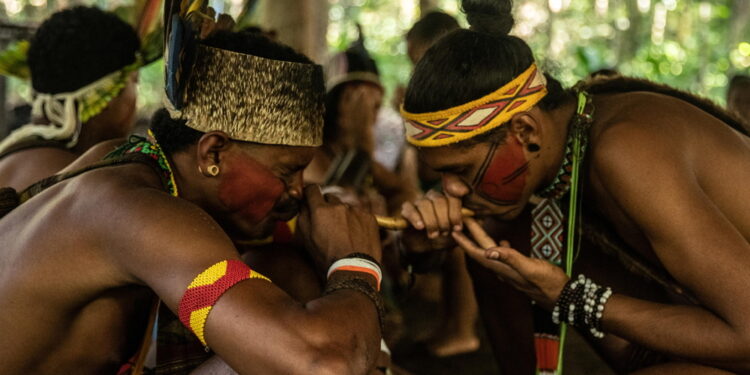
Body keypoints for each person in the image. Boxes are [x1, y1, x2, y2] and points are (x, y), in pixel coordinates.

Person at [0, 25, 385, 375]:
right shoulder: (141, 212)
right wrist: (356, 264)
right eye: (287, 172)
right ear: (213, 153)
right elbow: (323, 366)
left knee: (284, 271)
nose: (298, 191)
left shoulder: (126, 159)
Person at [398, 0, 750, 374]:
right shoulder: (576, 133)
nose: (451, 191)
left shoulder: (626, 151)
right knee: (496, 242)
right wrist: (422, 245)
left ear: (526, 131)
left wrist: (569, 297)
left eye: (462, 170)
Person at [0, 6, 142, 191]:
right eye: (134, 82)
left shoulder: (9, 158)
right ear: (107, 97)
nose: (135, 99)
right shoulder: (89, 188)